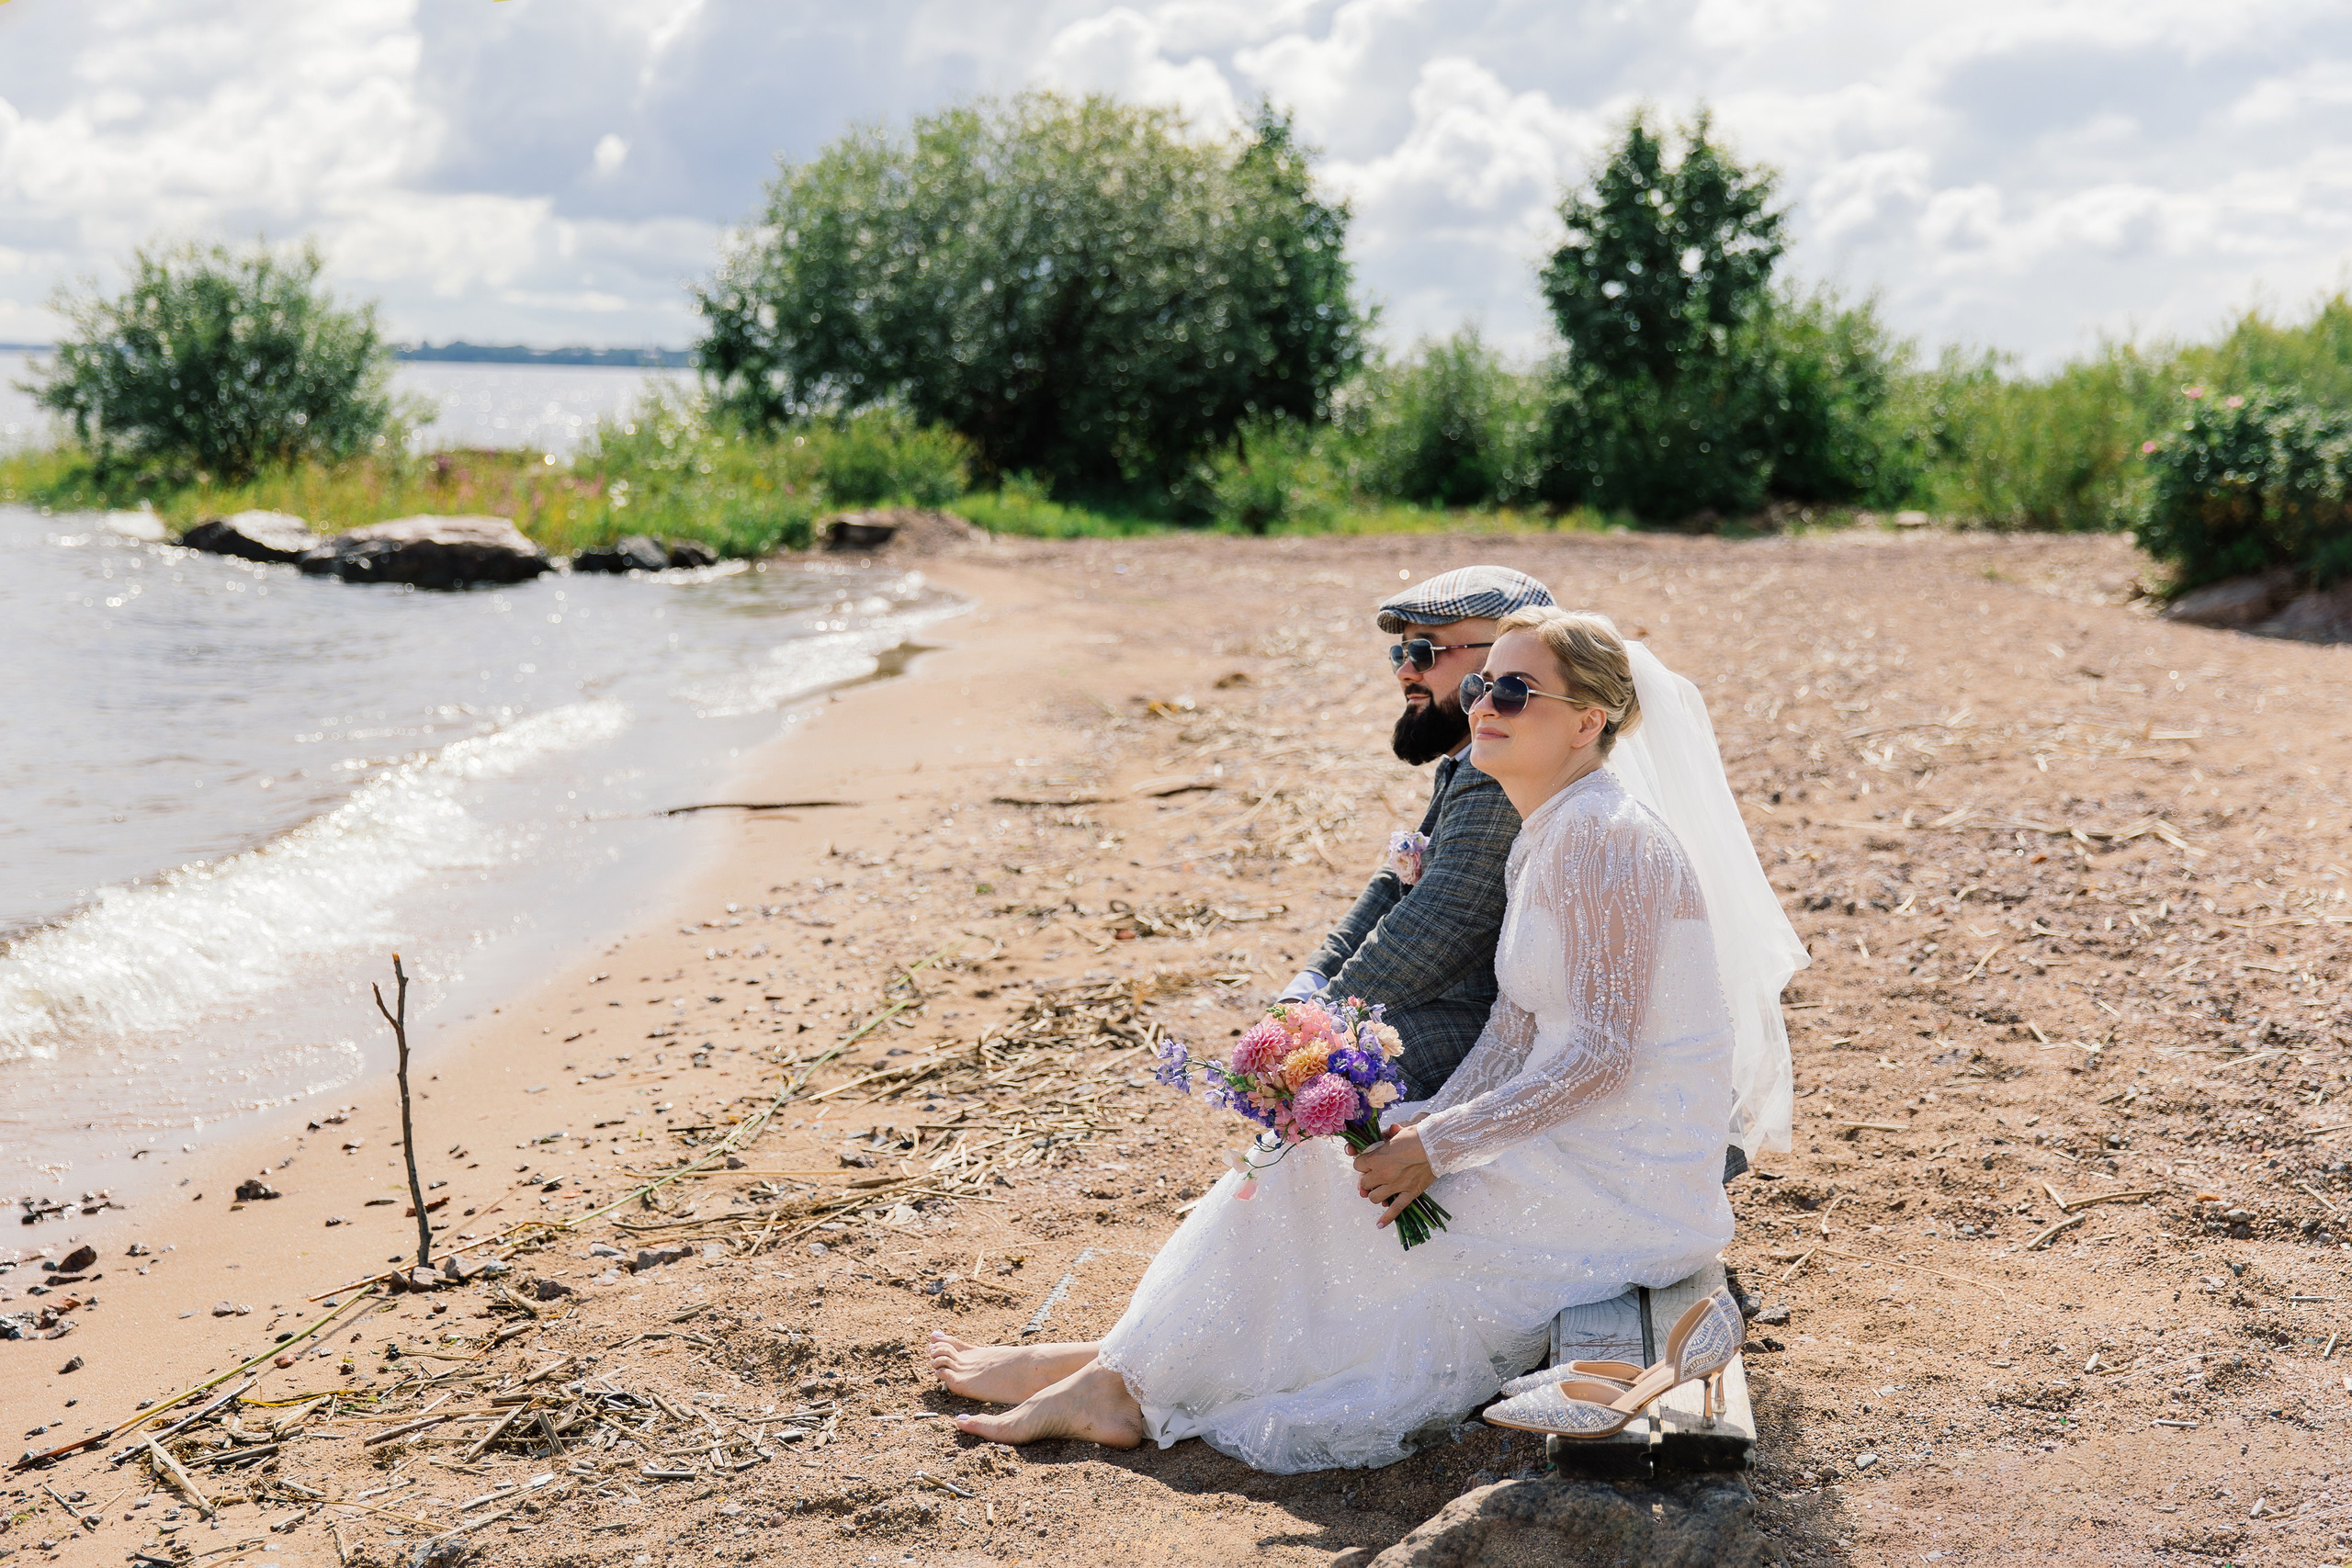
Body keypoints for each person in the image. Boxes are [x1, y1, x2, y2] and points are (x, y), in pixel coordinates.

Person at [928, 609, 1806, 1471]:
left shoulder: (1606, 840)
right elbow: (1515, 1029)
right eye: (1479, 685)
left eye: (1514, 689)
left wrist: (1438, 1145)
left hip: (1628, 1174)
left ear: (1587, 721)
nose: (1483, 704)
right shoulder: (1547, 832)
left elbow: (1602, 1055)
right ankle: (1124, 1361)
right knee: (1312, 1160)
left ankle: (1120, 1385)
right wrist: (1425, 1123)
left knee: (1334, 1197)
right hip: (1580, 1137)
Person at [1281, 564, 1554, 1102]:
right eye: (1400, 653)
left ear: (1509, 658)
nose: (1406, 671)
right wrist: (1305, 990)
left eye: (1426, 651)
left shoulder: (1509, 768)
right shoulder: (1470, 759)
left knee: (1345, 1068)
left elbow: (1446, 919)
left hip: (1522, 1029)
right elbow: (1392, 887)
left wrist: (1314, 1027)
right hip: (1469, 1003)